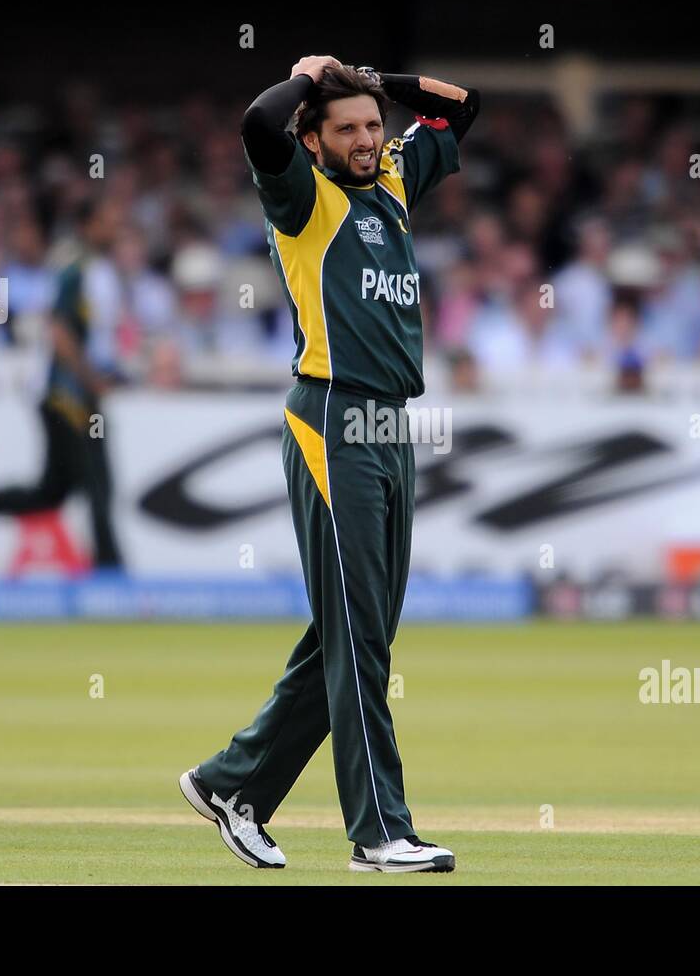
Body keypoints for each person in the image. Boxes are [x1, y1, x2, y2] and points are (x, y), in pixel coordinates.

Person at [179, 56, 478, 874]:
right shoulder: (305, 198)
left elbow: (460, 110)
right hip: (332, 421)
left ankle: (231, 784)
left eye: (373, 126)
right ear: (312, 140)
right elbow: (256, 125)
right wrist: (308, 79)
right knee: (359, 637)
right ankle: (379, 833)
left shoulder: (392, 182)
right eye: (346, 129)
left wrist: (374, 80)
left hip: (391, 425)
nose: (366, 139)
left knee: (359, 629)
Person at [0, 199, 126, 569]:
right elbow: (60, 330)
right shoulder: (76, 269)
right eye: (107, 222)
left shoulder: (92, 268)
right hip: (68, 395)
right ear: (88, 226)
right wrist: (91, 378)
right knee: (98, 484)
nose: (115, 229)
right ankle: (111, 573)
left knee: (52, 491)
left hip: (68, 393)